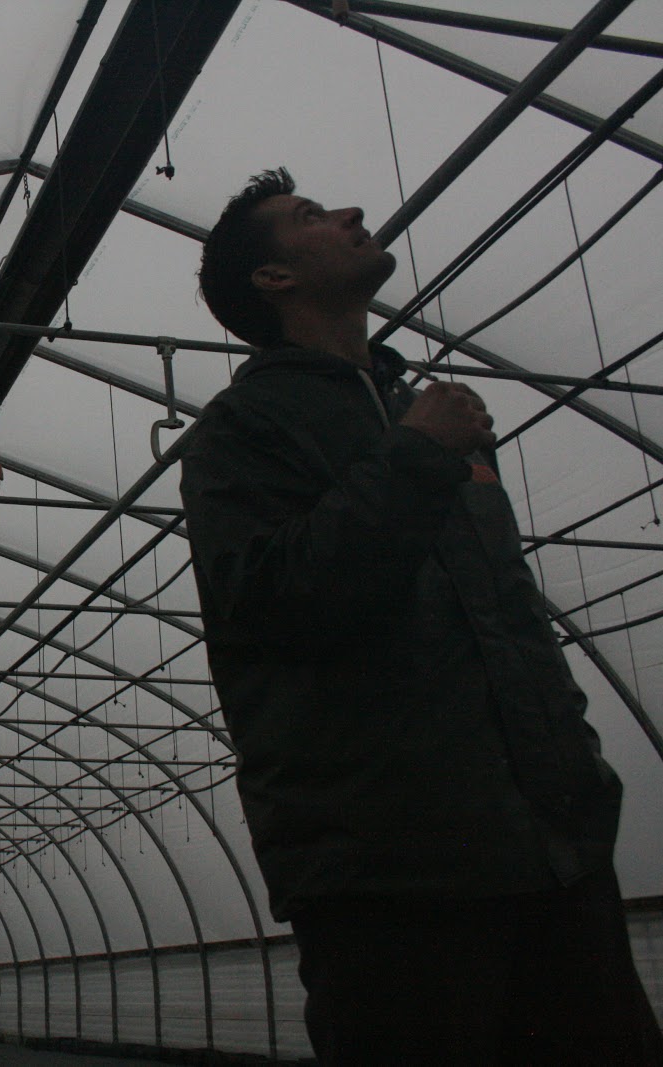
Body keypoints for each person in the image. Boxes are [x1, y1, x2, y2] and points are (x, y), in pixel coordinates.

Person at [178, 168, 662, 1064]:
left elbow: (510, 621)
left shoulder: (424, 416)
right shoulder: (240, 433)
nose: (352, 212)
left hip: (554, 855)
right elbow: (275, 604)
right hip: (394, 882)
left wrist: (577, 776)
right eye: (310, 216)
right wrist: (412, 458)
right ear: (273, 280)